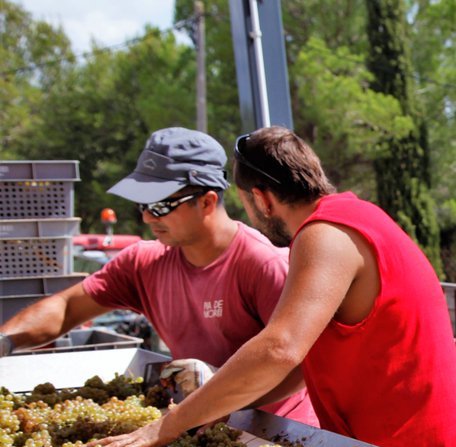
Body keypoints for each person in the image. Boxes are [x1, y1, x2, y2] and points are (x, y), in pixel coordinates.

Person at [93, 127, 456, 447]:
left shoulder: (323, 234)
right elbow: (302, 365)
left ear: (263, 200)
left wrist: (169, 424)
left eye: (247, 206)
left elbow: (280, 348)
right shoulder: (355, 216)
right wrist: (211, 410)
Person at [0, 127, 318, 426]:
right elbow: (68, 308)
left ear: (207, 201)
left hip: (274, 435)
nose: (147, 216)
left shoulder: (263, 265)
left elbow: (303, 367)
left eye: (161, 204)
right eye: (142, 203)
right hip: (194, 423)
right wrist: (5, 342)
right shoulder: (143, 263)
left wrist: (219, 401)